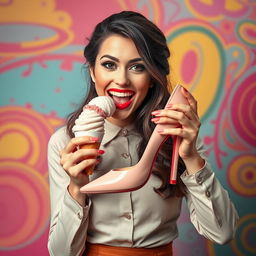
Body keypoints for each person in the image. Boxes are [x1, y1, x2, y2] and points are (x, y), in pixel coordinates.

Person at [47, 11, 238, 256]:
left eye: (138, 67)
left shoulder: (176, 135)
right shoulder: (65, 143)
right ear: (93, 71)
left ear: (152, 76)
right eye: (109, 65)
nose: (122, 80)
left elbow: (222, 233)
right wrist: (76, 188)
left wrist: (191, 159)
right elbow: (61, 253)